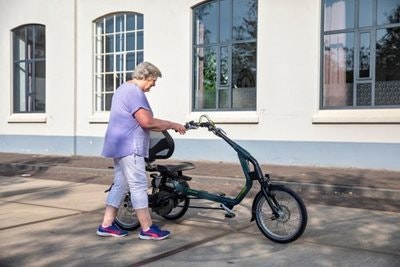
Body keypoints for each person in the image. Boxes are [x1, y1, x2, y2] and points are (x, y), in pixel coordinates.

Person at [96, 61, 186, 240]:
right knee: (138, 185)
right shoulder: (135, 92)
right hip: (130, 147)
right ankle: (148, 229)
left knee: (121, 184)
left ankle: (106, 225)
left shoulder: (123, 89)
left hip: (118, 145)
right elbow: (147, 122)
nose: (154, 85)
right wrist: (173, 124)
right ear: (148, 77)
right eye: (154, 81)